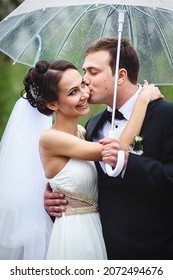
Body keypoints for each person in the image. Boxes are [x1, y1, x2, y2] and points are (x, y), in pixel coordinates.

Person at [44, 37, 173, 260]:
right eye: (84, 72)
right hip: (95, 249)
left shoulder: (166, 115)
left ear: (121, 75)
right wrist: (57, 198)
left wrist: (128, 162)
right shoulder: (91, 125)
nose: (85, 80)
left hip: (152, 253)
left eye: (93, 72)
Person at [22, 59, 160, 260]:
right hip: (74, 234)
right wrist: (143, 101)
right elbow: (117, 150)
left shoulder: (83, 131)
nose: (84, 94)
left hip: (97, 229)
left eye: (82, 85)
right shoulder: (50, 138)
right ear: (53, 104)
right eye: (73, 92)